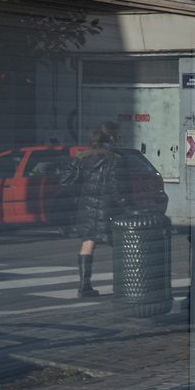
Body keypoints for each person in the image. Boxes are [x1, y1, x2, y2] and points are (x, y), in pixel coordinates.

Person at [70, 122, 128, 297]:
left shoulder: (82, 157)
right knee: (121, 244)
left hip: (87, 208)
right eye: (116, 136)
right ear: (110, 137)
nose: (117, 140)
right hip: (108, 208)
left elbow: (67, 181)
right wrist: (127, 205)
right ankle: (123, 286)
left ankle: (84, 286)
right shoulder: (114, 159)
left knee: (88, 244)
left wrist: (81, 194)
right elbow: (117, 187)